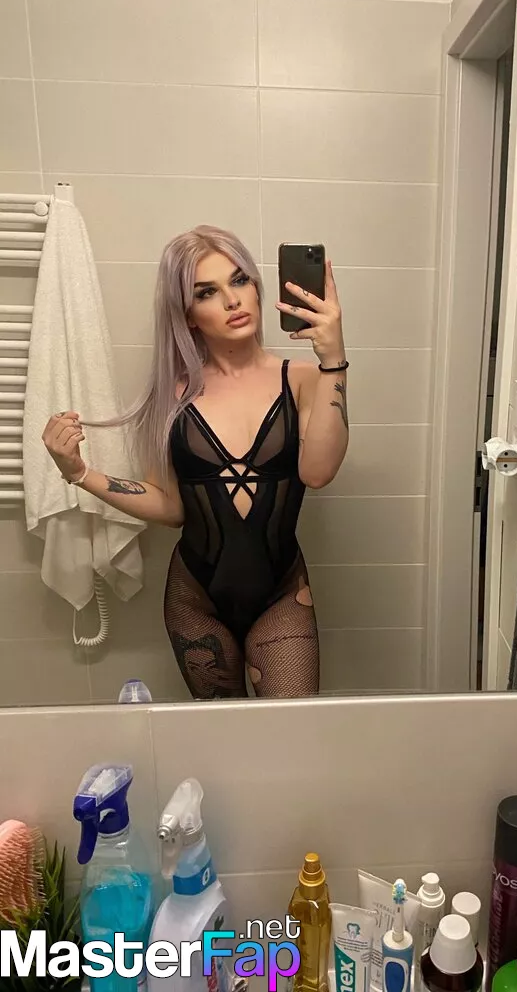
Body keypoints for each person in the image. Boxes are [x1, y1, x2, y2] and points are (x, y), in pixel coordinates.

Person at [42, 225, 348, 701]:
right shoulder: (173, 395)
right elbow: (171, 508)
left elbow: (318, 472)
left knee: (292, 731)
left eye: (240, 280)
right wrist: (80, 474)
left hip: (281, 593)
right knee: (221, 733)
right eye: (207, 292)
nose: (232, 300)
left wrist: (334, 359)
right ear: (187, 314)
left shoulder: (305, 378)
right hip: (196, 599)